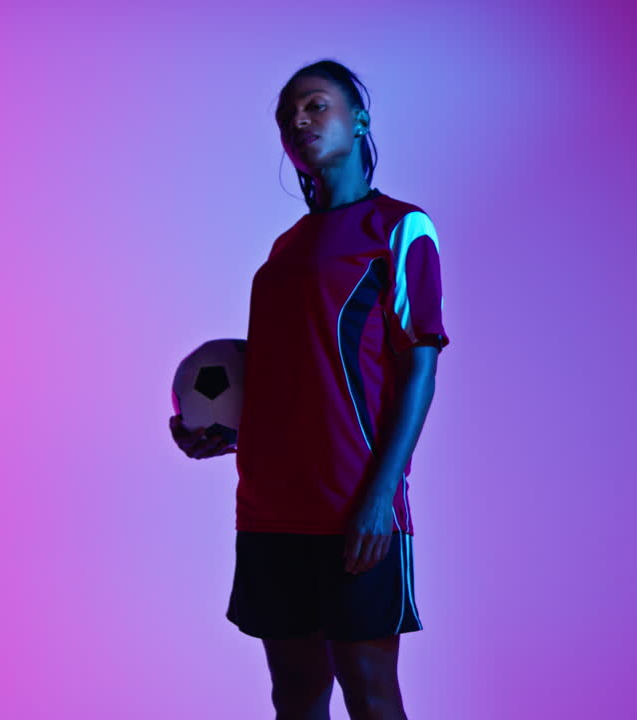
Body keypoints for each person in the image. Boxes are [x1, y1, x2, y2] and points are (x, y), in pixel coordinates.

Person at [169, 58, 448, 720]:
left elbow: (419, 367)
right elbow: (292, 375)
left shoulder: (400, 230)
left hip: (354, 506)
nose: (299, 119)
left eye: (316, 104)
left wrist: (381, 497)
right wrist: (226, 433)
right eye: (288, 113)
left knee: (369, 689)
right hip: (268, 507)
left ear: (360, 119)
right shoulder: (284, 249)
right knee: (295, 695)